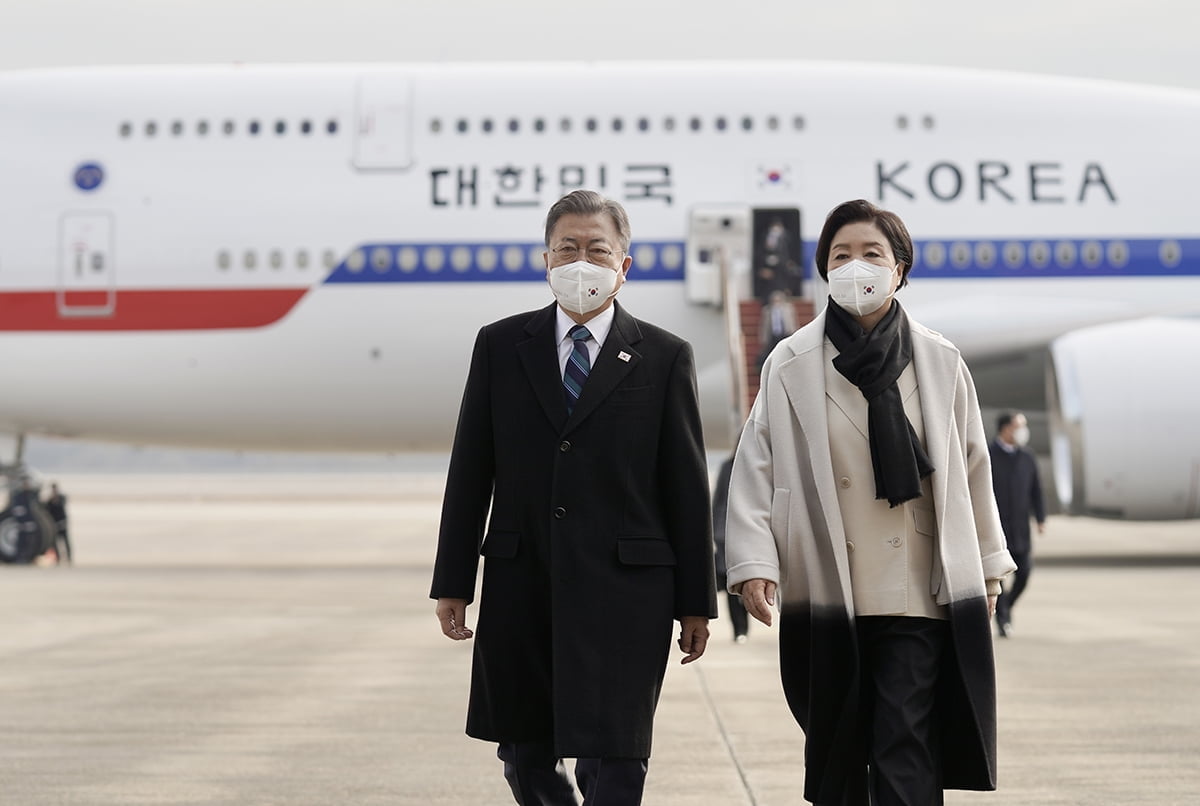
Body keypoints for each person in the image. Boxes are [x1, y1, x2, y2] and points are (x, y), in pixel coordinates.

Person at [724, 199, 1017, 805]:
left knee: (903, 742)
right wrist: (753, 562)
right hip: (831, 587)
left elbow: (971, 467)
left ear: (900, 269)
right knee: (839, 750)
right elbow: (756, 463)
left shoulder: (940, 359)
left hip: (917, 588)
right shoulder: (791, 362)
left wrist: (987, 564)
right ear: (823, 270)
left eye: (871, 254)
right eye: (840, 255)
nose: (855, 266)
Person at [430, 189, 717, 806]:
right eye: (568, 248)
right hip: (521, 581)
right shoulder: (501, 346)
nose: (581, 262)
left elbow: (686, 489)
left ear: (624, 265)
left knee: (617, 761)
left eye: (597, 249)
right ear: (546, 260)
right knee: (525, 757)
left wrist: (698, 601)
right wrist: (453, 581)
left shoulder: (664, 357)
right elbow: (470, 472)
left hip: (626, 591)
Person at [989, 412, 1046, 638]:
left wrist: (1040, 518)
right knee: (1000, 577)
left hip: (1021, 528)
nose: (1023, 430)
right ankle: (1003, 620)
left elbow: (1036, 490)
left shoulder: (1027, 457)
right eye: (1018, 426)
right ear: (1005, 429)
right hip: (997, 529)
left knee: (1024, 574)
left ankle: (1006, 607)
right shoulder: (989, 454)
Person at [711, 454, 749, 643]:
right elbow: (718, 498)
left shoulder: (756, 464)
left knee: (748, 581)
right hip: (725, 533)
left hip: (749, 533)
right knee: (732, 583)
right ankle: (739, 629)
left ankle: (744, 626)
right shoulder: (728, 465)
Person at [757, 289, 798, 372]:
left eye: (779, 300)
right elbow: (765, 326)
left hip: (785, 334)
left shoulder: (788, 308)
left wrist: (794, 334)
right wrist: (763, 338)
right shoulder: (767, 310)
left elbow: (792, 322)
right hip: (773, 336)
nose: (777, 302)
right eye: (775, 300)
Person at [43, 482, 72, 565]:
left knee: (65, 541)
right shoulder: (49, 500)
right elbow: (47, 509)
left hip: (62, 523)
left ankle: (69, 557)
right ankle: (58, 558)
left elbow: (62, 504)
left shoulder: (61, 497)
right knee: (55, 543)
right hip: (54, 524)